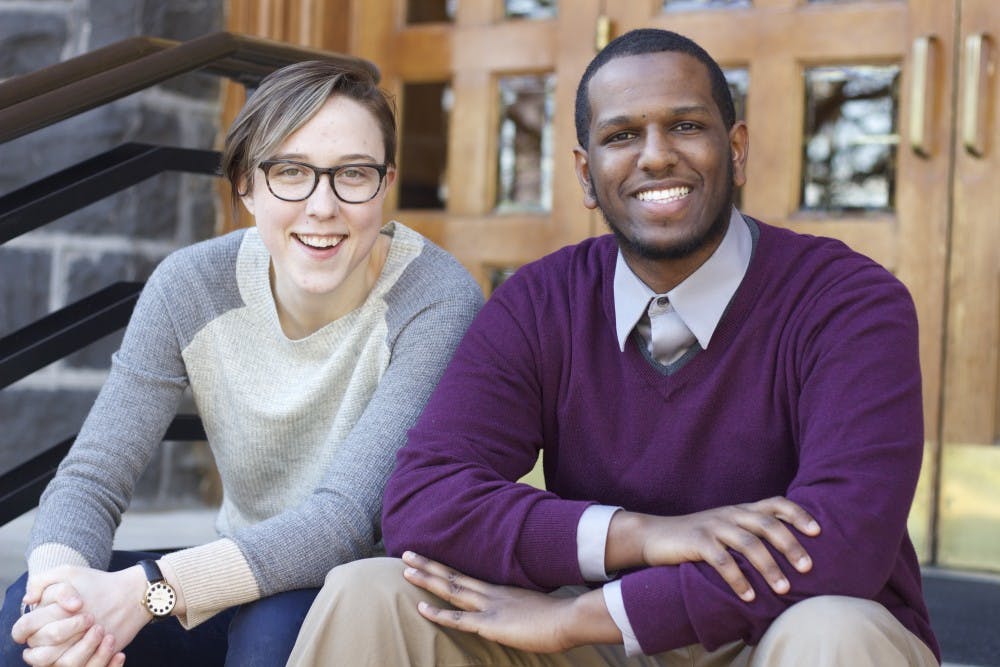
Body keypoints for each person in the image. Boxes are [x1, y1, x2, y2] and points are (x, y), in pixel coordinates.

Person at [286, 29, 941, 667]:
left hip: (771, 632)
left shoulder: (847, 301)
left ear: (736, 149)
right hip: (596, 644)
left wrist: (582, 617)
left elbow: (840, 545)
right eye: (621, 135)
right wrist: (642, 534)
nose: (655, 156)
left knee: (833, 629)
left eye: (685, 125)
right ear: (585, 172)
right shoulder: (540, 302)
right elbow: (423, 503)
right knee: (369, 592)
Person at [1, 58, 483, 667]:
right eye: (290, 172)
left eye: (352, 175)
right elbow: (92, 478)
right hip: (236, 574)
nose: (322, 205)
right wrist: (61, 595)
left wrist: (147, 589)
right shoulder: (191, 285)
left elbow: (345, 523)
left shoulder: (435, 298)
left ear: (385, 186)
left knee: (274, 630)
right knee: (29, 620)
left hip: (376, 595)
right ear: (246, 186)